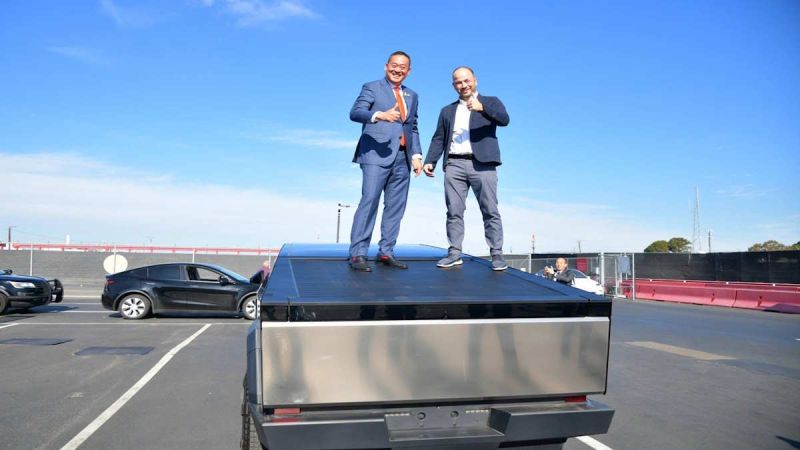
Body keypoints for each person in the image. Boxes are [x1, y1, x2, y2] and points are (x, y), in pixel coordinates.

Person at [423, 66, 510, 271]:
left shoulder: (491, 102)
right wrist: (430, 160)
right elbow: (439, 137)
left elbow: (505, 120)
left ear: (475, 80)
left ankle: (497, 254)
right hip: (454, 164)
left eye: (466, 80)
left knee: (490, 210)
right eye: (458, 82)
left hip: (483, 165)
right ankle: (454, 253)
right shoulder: (447, 111)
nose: (463, 85)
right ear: (454, 85)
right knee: (454, 211)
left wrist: (482, 108)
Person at [348, 51, 423, 272]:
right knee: (369, 201)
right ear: (386, 66)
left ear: (408, 71)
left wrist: (416, 155)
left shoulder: (412, 95)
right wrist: (378, 115)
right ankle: (358, 253)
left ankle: (386, 252)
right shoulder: (372, 87)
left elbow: (413, 127)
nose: (398, 70)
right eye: (394, 65)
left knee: (396, 206)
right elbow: (355, 112)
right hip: (375, 154)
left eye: (403, 67)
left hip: (403, 158)